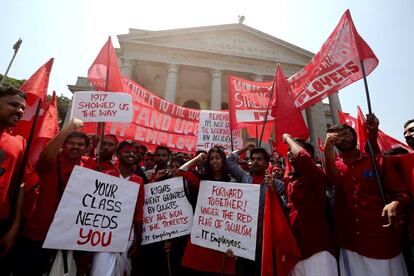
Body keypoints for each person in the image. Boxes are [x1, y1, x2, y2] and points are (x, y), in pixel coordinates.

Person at [324, 123, 410, 276]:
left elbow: (401, 193)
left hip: (381, 239)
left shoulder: (378, 162)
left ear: (355, 136)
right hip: (350, 242)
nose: (342, 139)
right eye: (336, 137)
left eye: (345, 134)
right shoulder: (335, 166)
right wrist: (327, 151)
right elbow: (333, 180)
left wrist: (395, 203)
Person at [14, 118, 93, 276]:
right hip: (39, 233)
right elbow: (44, 157)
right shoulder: (52, 162)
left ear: (86, 148)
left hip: (68, 237)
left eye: (80, 144)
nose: (76, 147)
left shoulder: (90, 168)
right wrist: (69, 128)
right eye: (71, 143)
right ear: (63, 144)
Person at [226, 142, 285, 276]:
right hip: (245, 240)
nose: (255, 162)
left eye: (259, 159)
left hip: (266, 241)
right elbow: (229, 161)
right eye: (252, 159)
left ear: (266, 163)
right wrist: (245, 148)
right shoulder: (244, 177)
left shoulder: (277, 184)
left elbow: (282, 209)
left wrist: (274, 190)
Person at [282, 134, 337, 275]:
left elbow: (302, 157)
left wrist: (288, 138)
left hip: (317, 249)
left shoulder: (315, 175)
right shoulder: (290, 180)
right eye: (288, 150)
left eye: (293, 149)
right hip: (296, 250)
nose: (290, 152)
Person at [178, 146, 237, 275]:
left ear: (223, 160)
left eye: (217, 158)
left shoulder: (232, 181)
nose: (214, 161)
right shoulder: (202, 179)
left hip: (223, 235)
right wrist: (198, 158)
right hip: (204, 234)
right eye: (211, 159)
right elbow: (181, 171)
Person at [91, 140, 145, 276]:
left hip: (127, 236)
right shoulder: (106, 175)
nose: (131, 154)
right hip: (103, 234)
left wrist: (138, 242)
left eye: (134, 152)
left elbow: (138, 212)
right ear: (118, 154)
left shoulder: (138, 180)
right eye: (127, 151)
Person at [0, 86, 26, 274]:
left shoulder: (18, 143)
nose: (20, 111)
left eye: (23, 107)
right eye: (14, 105)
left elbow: (20, 185)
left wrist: (14, 227)